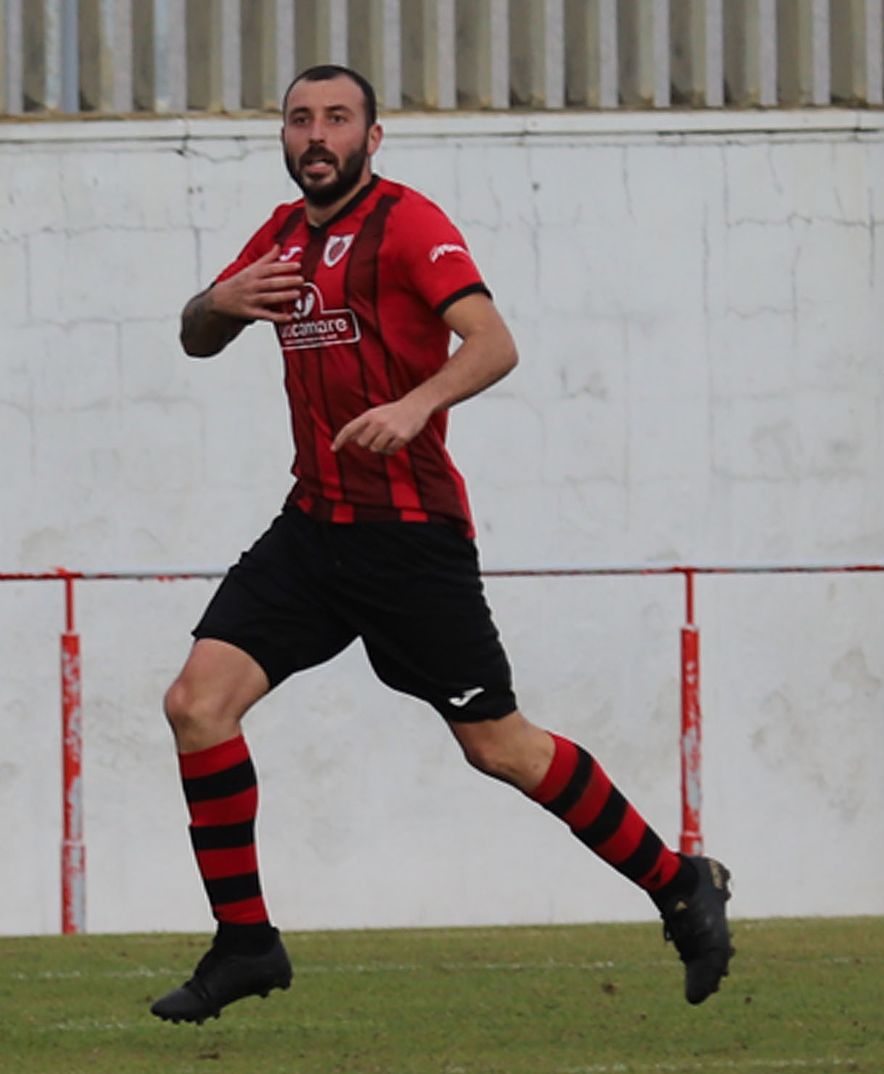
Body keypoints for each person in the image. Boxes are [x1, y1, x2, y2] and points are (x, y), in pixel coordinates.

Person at [151, 64, 733, 1024]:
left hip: (408, 537)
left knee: (499, 747)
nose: (317, 135)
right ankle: (246, 942)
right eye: (300, 120)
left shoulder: (409, 223)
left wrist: (415, 405)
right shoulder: (282, 234)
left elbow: (493, 342)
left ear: (372, 137)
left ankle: (678, 883)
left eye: (338, 118)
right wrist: (218, 299)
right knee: (196, 705)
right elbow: (195, 339)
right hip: (313, 529)